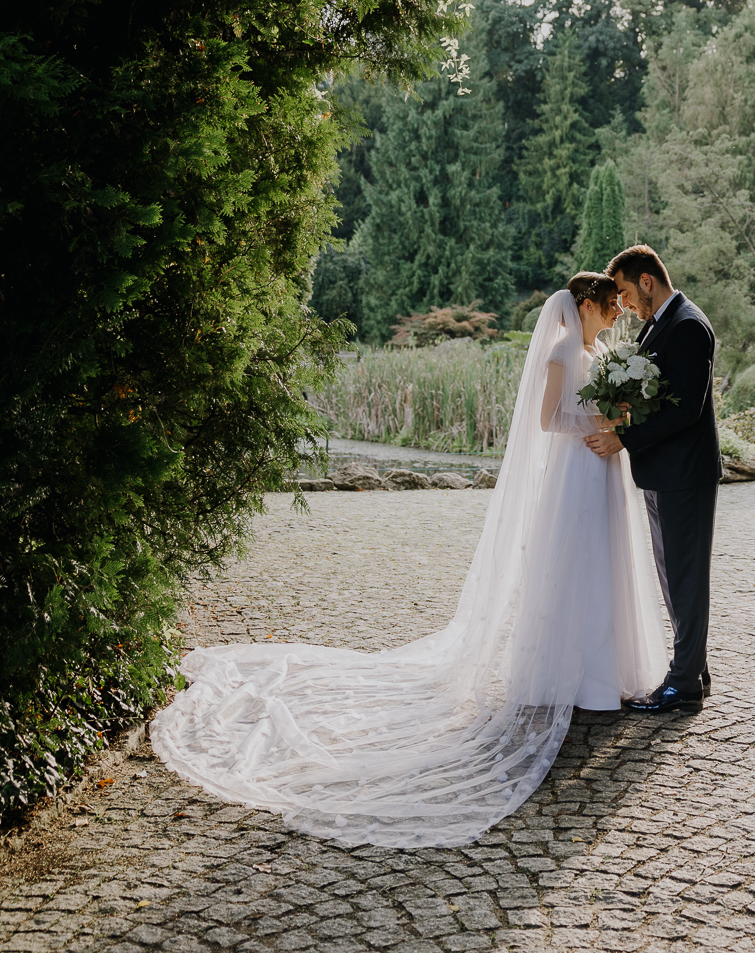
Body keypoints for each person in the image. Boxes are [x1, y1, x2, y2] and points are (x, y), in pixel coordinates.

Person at [149, 276, 669, 849]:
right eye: (611, 304)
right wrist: (593, 425)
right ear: (587, 305)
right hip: (575, 470)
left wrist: (617, 421)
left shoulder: (600, 353)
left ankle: (606, 673)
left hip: (602, 467)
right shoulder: (561, 353)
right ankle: (574, 676)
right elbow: (548, 421)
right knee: (575, 569)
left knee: (606, 565)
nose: (619, 312)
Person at [585, 245, 720, 715]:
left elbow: (687, 407)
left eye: (624, 291)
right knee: (673, 576)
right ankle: (693, 671)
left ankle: (682, 686)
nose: (623, 303)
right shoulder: (659, 325)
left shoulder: (687, 325)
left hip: (684, 472)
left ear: (646, 281)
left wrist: (626, 438)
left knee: (685, 578)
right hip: (664, 471)